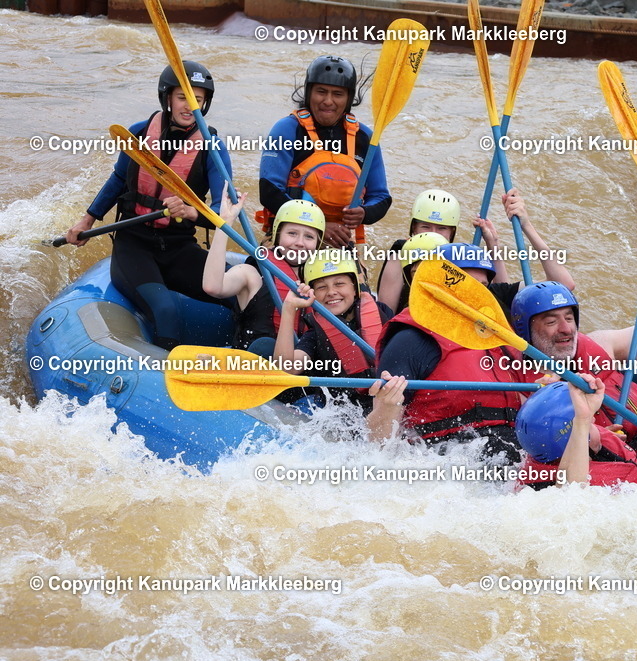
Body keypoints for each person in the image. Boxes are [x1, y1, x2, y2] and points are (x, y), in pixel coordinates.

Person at [64, 61, 230, 350]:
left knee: (243, 291)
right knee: (165, 310)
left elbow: (224, 210)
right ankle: (168, 385)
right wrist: (86, 221)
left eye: (198, 100)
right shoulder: (139, 134)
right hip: (134, 246)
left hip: (178, 246)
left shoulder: (212, 148)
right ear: (167, 98)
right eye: (183, 98)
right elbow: (117, 180)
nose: (190, 107)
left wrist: (192, 211)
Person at [510, 225, 637, 451]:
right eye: (552, 322)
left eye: (569, 318)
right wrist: (593, 437)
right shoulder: (523, 390)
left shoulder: (600, 343)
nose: (566, 329)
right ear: (526, 331)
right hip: (621, 463)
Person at [370, 245, 521, 462]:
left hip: (513, 446)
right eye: (470, 286)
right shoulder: (411, 339)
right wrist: (387, 406)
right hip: (451, 455)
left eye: (483, 287)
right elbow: (379, 446)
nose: (478, 296)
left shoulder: (499, 335)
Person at [259, 55, 391, 249]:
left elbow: (381, 197)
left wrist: (364, 213)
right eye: (321, 92)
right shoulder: (288, 129)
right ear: (309, 92)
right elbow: (269, 191)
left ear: (348, 98)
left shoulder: (365, 138)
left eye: (338, 94)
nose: (328, 101)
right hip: (291, 240)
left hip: (339, 241)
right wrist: (317, 226)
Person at [376, 187, 573, 315]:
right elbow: (385, 315)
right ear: (413, 229)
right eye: (425, 227)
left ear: (452, 234)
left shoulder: (463, 261)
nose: (434, 235)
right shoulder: (402, 256)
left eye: (442, 229)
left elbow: (564, 284)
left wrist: (521, 228)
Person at [515, 378, 637, 495]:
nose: (597, 426)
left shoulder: (545, 455)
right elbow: (570, 498)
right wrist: (583, 421)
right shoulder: (557, 489)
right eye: (589, 423)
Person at [204, 194, 324, 356]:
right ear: (277, 235)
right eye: (292, 233)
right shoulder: (252, 274)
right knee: (265, 346)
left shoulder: (321, 283)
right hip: (249, 366)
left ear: (318, 244)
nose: (300, 243)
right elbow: (212, 287)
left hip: (296, 370)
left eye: (309, 236)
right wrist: (224, 223)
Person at [272, 249, 392, 412]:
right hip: (341, 412)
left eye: (339, 283)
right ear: (312, 293)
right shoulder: (315, 334)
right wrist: (288, 309)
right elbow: (286, 367)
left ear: (355, 287)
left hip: (384, 400)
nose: (331, 292)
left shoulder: (383, 313)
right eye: (321, 287)